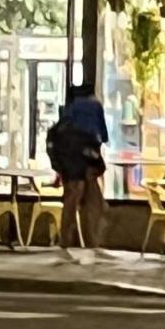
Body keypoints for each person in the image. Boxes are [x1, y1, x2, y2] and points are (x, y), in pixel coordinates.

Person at [48, 86, 108, 262]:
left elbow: (57, 134)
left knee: (72, 197)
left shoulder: (69, 111)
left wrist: (59, 166)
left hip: (67, 159)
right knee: (91, 200)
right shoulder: (94, 106)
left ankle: (65, 238)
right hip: (86, 156)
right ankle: (91, 240)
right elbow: (102, 136)